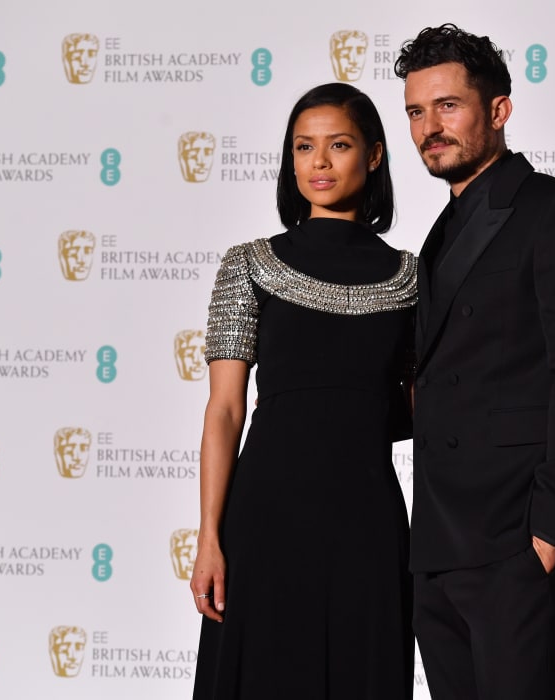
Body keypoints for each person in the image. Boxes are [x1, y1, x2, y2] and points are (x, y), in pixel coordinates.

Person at [395, 24, 555, 700]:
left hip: (512, 540)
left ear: (498, 110)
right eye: (414, 111)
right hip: (437, 542)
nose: (428, 127)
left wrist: (547, 536)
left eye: (447, 106)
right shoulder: (440, 231)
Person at [190, 82, 417, 699]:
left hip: (368, 522)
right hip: (266, 517)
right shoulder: (249, 264)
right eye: (303, 148)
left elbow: (429, 406)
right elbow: (225, 410)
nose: (318, 163)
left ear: (372, 156)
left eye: (338, 145)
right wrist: (210, 536)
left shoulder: (411, 276)